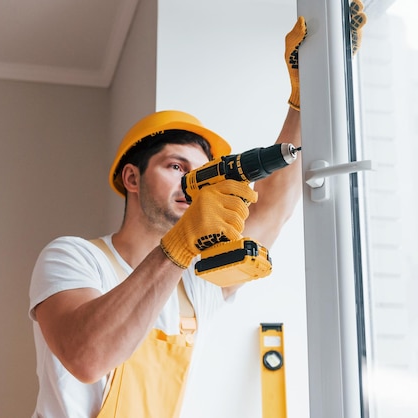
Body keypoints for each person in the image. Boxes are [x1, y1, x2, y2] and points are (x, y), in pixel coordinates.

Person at [29, 10, 365, 418]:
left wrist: (305, 99)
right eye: (175, 167)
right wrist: (178, 246)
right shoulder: (74, 258)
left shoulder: (196, 281)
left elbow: (272, 210)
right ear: (132, 178)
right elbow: (87, 357)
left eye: (200, 174)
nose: (192, 185)